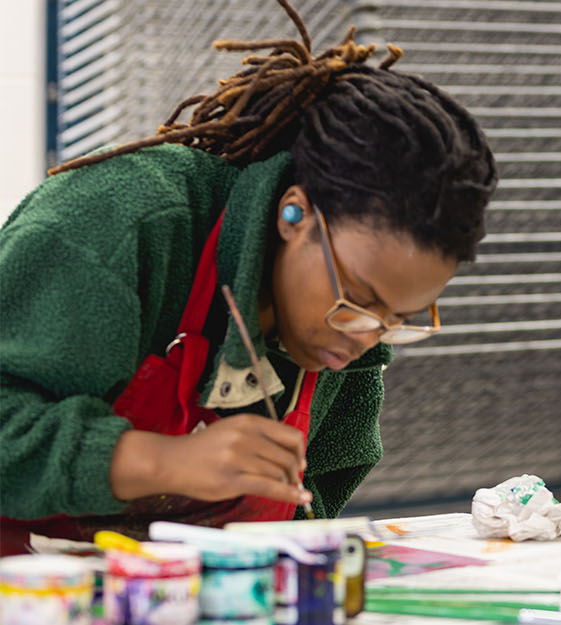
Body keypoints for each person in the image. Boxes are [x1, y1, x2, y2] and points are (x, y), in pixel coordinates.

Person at [0, 0, 496, 554]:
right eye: (357, 299)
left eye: (397, 320)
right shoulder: (118, 225)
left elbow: (308, 515)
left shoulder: (349, 340)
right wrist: (163, 462)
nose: (365, 339)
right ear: (293, 213)